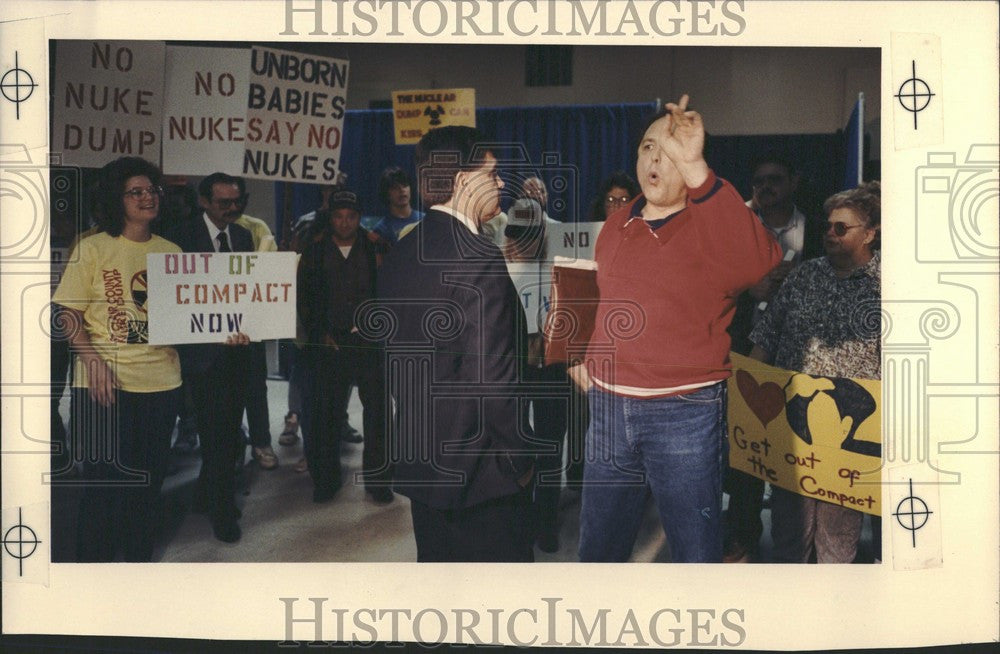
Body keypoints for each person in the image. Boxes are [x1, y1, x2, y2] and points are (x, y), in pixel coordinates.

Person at [570, 96, 782, 562]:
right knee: (598, 548)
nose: (654, 159)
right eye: (648, 147)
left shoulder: (712, 222)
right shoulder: (616, 224)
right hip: (607, 408)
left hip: (683, 412)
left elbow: (760, 261)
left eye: (669, 151)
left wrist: (699, 170)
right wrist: (575, 352)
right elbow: (589, 293)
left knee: (694, 552)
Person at [374, 126, 536, 562]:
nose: (501, 183)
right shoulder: (480, 259)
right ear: (464, 181)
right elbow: (495, 384)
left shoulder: (402, 252)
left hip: (422, 462)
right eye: (493, 173)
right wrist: (522, 463)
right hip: (482, 477)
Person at [52, 156, 183, 561]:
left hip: (161, 382)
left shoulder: (172, 251)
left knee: (149, 480)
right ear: (116, 198)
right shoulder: (92, 248)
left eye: (152, 190)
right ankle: (95, 573)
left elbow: (190, 321)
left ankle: (137, 561)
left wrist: (228, 329)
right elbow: (68, 314)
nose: (148, 197)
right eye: (136, 192)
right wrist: (92, 361)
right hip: (101, 382)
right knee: (103, 486)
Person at [749, 181, 881, 564]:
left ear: (870, 233)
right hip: (793, 428)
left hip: (851, 435)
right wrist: (749, 399)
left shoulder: (889, 284)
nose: (830, 234)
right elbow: (766, 336)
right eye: (828, 226)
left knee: (837, 543)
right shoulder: (804, 277)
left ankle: (830, 615)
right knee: (789, 535)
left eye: (842, 228)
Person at [723, 153, 826, 562]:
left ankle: (801, 540)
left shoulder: (817, 228)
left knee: (797, 443)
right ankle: (743, 533)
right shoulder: (734, 226)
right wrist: (750, 289)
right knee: (747, 446)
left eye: (774, 179)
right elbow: (710, 280)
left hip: (801, 352)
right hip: (744, 346)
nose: (765, 187)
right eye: (759, 180)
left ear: (794, 181)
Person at [173, 172, 255, 543]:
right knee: (216, 436)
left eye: (237, 201)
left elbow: (249, 291)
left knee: (228, 432)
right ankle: (223, 513)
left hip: (237, 353)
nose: (233, 208)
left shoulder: (242, 236)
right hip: (200, 358)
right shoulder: (179, 237)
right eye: (224, 203)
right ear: (204, 202)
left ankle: (208, 497)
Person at [297, 189, 392, 504]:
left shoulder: (375, 245)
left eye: (351, 216)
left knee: (378, 414)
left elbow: (388, 293)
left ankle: (378, 482)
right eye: (339, 216)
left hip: (369, 343)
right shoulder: (315, 248)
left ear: (359, 217)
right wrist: (319, 332)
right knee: (325, 414)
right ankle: (326, 480)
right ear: (331, 216)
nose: (345, 222)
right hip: (330, 344)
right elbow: (304, 298)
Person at [371, 166, 425, 244]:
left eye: (405, 185)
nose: (402, 190)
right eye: (395, 188)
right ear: (387, 194)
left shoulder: (424, 219)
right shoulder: (381, 229)